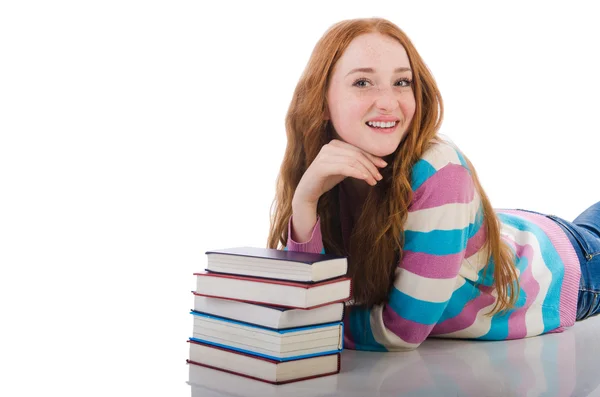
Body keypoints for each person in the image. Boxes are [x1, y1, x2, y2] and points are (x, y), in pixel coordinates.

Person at [267, 17, 600, 351]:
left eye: (401, 82)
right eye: (363, 83)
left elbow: (399, 331)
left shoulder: (440, 168)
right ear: (322, 101)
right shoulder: (325, 169)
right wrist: (305, 201)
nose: (387, 101)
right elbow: (302, 299)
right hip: (514, 231)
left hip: (567, 270)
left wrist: (319, 324)